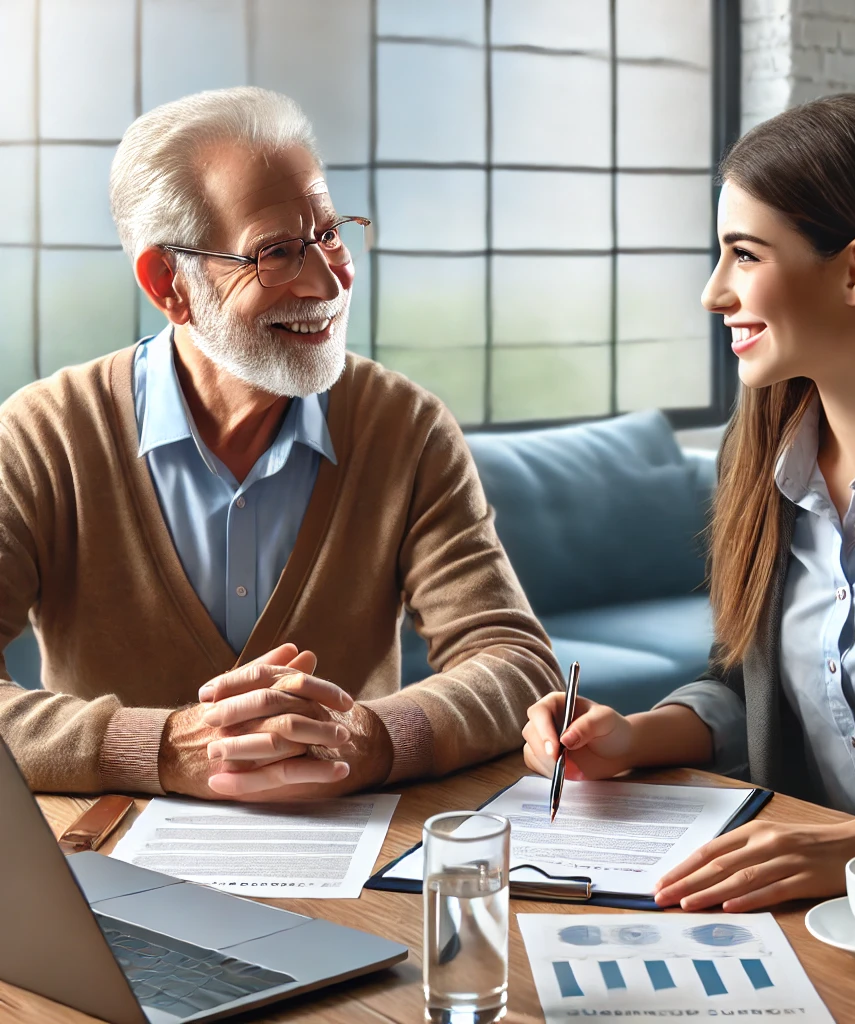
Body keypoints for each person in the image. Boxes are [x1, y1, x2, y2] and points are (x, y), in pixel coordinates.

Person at [523, 93, 855, 911]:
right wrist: (629, 737)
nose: (713, 293)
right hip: (806, 925)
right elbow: (752, 685)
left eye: (744, 255)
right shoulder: (757, 461)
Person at [0, 86, 561, 802]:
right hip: (106, 871)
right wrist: (166, 749)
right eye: (277, 253)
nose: (329, 281)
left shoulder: (406, 429)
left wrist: (371, 738)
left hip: (350, 862)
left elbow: (515, 662)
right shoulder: (43, 437)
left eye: (329, 233)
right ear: (169, 283)